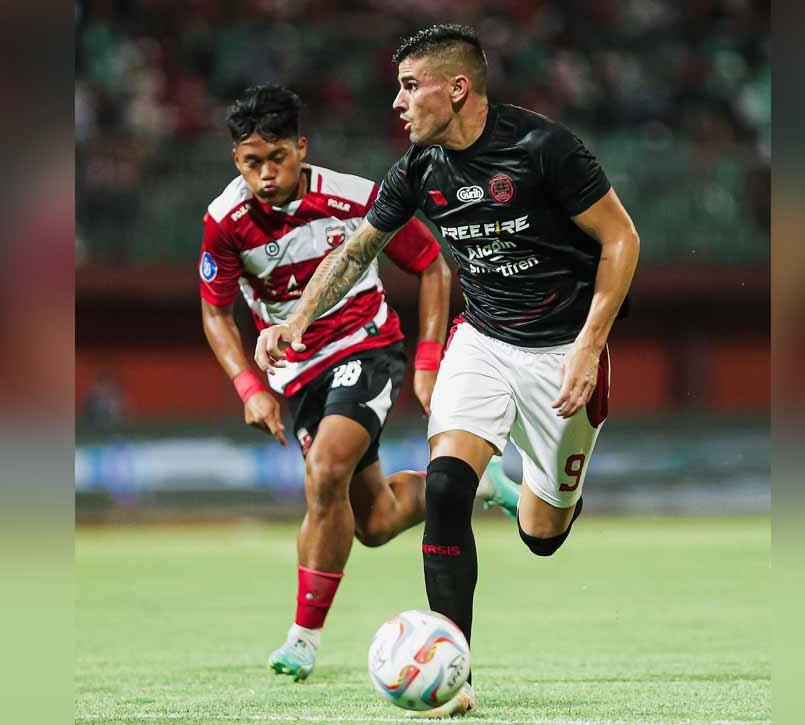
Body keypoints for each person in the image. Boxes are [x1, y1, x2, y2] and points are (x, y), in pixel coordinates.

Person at [254, 26, 640, 717]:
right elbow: (353, 253)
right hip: (483, 340)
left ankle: (526, 489)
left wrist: (589, 345)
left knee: (542, 536)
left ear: (455, 87)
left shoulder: (543, 149)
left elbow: (621, 238)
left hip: (563, 350)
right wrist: (296, 320)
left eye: (409, 86)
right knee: (444, 483)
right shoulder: (418, 170)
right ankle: (453, 668)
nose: (396, 102)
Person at [199, 85, 451, 682]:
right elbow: (215, 311)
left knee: (326, 470)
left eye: (277, 158)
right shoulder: (224, 223)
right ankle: (465, 482)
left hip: (366, 344)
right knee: (375, 522)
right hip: (297, 374)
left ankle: (303, 639)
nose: (265, 174)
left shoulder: (355, 198)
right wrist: (248, 387)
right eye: (250, 162)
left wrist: (428, 358)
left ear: (301, 149)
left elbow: (431, 262)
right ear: (236, 160)